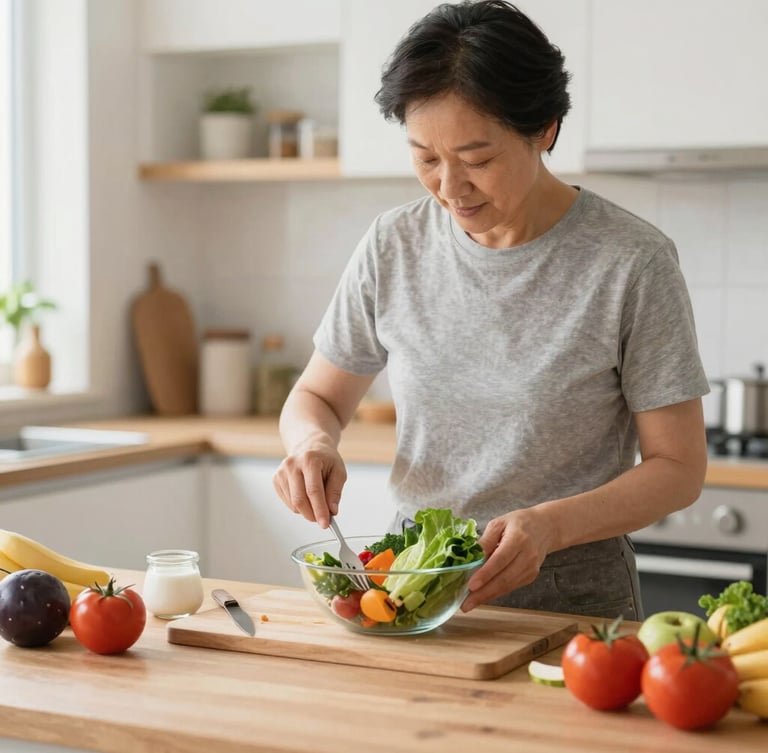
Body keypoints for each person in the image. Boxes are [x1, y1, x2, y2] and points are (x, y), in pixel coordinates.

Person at [272, 0, 709, 620]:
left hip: (573, 608)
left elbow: (678, 468)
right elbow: (315, 397)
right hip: (410, 592)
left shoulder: (630, 262)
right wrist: (312, 444)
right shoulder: (394, 245)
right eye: (426, 158)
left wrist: (549, 526)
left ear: (546, 129)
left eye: (477, 160)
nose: (450, 187)